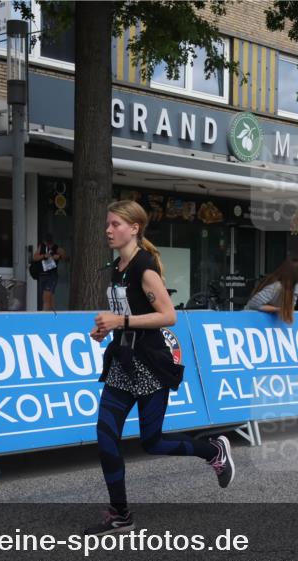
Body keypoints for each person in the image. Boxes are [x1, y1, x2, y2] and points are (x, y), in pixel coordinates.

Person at [86, 201, 234, 535]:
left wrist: (120, 320)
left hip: (150, 365)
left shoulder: (144, 267)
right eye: (107, 224)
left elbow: (169, 316)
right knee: (105, 438)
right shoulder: (117, 267)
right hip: (122, 364)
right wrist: (108, 328)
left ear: (134, 228)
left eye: (115, 224)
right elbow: (127, 315)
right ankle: (120, 513)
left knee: (151, 442)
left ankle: (212, 450)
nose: (108, 230)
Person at [245, 257, 298, 323]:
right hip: (250, 320)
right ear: (294, 273)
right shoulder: (276, 286)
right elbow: (254, 304)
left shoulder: (295, 286)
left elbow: (291, 306)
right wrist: (277, 309)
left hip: (266, 322)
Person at [33, 234, 67, 312]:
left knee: (46, 296)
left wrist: (58, 256)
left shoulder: (56, 248)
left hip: (51, 276)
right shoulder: (41, 247)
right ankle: (53, 315)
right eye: (46, 243)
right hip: (42, 275)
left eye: (49, 244)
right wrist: (44, 256)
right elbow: (35, 257)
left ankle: (44, 315)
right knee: (50, 297)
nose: (48, 245)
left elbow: (65, 257)